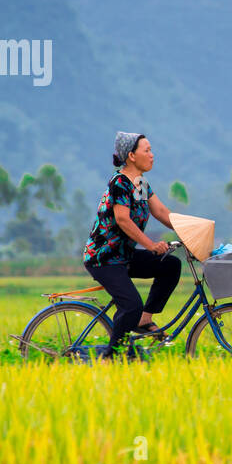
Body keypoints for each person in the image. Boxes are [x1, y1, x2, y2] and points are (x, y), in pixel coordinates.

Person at [82, 132, 182, 358]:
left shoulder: (141, 184)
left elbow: (162, 212)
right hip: (104, 258)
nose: (152, 155)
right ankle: (109, 358)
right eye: (147, 150)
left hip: (124, 255)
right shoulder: (120, 182)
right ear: (131, 156)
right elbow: (123, 219)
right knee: (131, 305)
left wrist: (192, 231)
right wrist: (150, 245)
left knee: (170, 266)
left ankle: (144, 321)